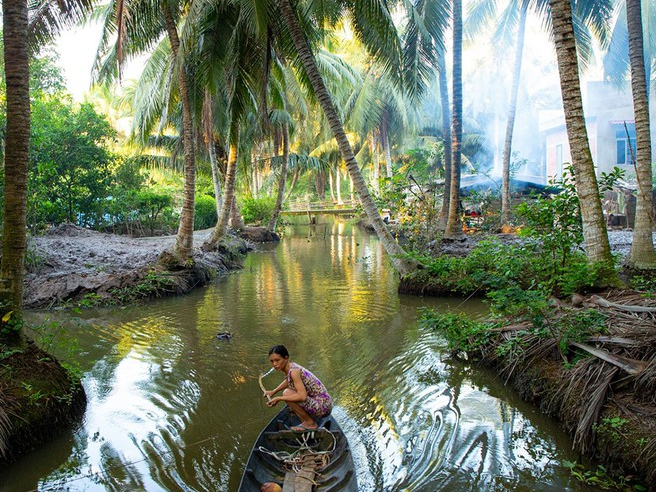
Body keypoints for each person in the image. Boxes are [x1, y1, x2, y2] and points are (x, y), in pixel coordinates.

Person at [263, 345, 333, 431]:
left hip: (323, 407)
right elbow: (288, 381)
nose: (274, 364)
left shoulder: (293, 371)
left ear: (286, 358)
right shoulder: (292, 367)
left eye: (277, 360)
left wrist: (279, 398)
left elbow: (302, 396)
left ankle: (309, 423)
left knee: (287, 394)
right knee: (288, 393)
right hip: (325, 403)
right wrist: (274, 391)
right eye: (272, 361)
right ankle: (306, 419)